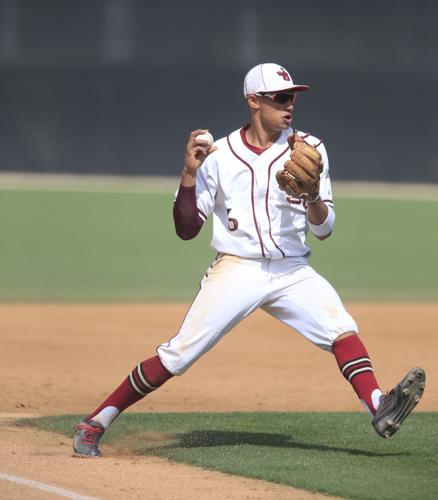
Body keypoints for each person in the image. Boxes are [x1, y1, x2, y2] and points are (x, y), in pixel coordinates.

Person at [73, 63, 425, 457]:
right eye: (280, 98)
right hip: (238, 268)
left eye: (292, 97)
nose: (289, 105)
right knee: (178, 355)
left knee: (342, 329)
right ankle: (95, 422)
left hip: (292, 270)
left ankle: (378, 405)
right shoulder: (219, 155)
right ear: (253, 101)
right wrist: (189, 175)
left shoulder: (310, 148)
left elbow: (325, 230)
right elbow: (187, 229)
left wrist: (311, 199)